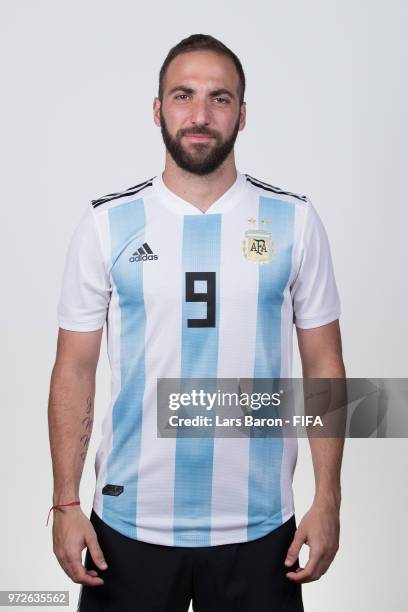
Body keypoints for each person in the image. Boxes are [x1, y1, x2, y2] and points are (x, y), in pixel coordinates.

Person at [48, 33, 345, 612]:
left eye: (220, 98)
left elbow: (323, 365)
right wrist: (64, 502)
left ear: (242, 114)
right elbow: (74, 368)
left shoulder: (295, 222)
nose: (201, 115)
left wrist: (327, 498)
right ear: (158, 110)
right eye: (183, 96)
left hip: (260, 530)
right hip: (127, 527)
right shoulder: (108, 225)